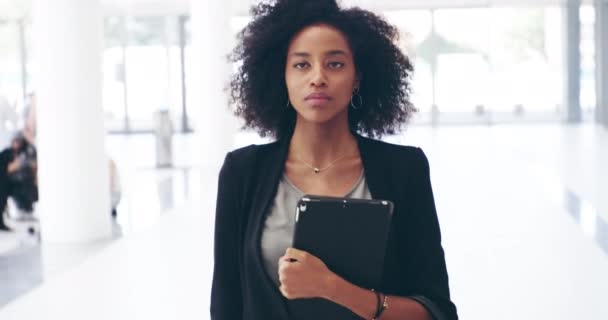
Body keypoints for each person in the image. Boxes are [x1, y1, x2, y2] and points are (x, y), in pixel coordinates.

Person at [211, 1, 458, 319]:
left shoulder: (404, 169)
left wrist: (332, 288)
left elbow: (436, 311)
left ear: (357, 78)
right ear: (282, 77)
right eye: (301, 65)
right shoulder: (242, 172)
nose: (318, 78)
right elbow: (225, 302)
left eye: (335, 64)